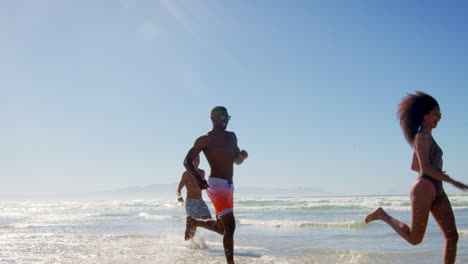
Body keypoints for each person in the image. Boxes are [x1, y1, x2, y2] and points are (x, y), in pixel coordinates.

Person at [365, 91, 468, 264]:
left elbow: (415, 165)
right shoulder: (421, 137)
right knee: (415, 239)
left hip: (437, 188)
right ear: (425, 115)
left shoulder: (426, 137)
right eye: (436, 114)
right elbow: (424, 167)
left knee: (452, 236)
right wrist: (451, 181)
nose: (439, 118)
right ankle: (383, 215)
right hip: (424, 188)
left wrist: (439, 174)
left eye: (440, 114)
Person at [183, 106, 248, 264]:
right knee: (230, 226)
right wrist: (198, 179)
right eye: (221, 117)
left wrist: (243, 157)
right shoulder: (205, 139)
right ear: (212, 118)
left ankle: (194, 221)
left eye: (227, 117)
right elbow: (187, 161)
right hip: (216, 184)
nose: (224, 120)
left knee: (222, 228)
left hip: (229, 184)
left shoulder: (232, 137)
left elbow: (236, 161)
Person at [176, 155, 212, 238]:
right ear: (191, 161)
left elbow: (204, 185)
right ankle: (189, 245)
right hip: (190, 201)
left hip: (200, 200)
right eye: (195, 159)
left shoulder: (202, 172)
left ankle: (193, 226)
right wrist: (179, 196)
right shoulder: (186, 174)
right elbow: (178, 188)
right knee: (193, 228)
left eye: (198, 159)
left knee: (209, 219)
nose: (197, 161)